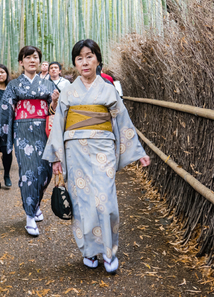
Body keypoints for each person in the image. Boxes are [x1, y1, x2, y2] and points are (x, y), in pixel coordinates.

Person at [42, 39, 150, 274]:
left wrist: (137, 151)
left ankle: (109, 251)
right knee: (82, 204)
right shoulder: (68, 92)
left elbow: (123, 122)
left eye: (89, 56)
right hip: (74, 152)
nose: (85, 62)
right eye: (79, 58)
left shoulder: (109, 89)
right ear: (75, 64)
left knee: (105, 200)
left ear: (98, 59)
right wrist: (56, 158)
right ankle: (89, 251)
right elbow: (58, 125)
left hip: (102, 149)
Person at [0, 46, 59, 236]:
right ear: (21, 62)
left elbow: (56, 111)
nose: (32, 60)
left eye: (35, 57)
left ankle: (35, 203)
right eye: (27, 57)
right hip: (22, 133)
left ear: (39, 61)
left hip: (44, 131)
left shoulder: (48, 85)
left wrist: (53, 102)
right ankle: (30, 216)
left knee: (45, 172)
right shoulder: (14, 85)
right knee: (28, 173)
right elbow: (4, 109)